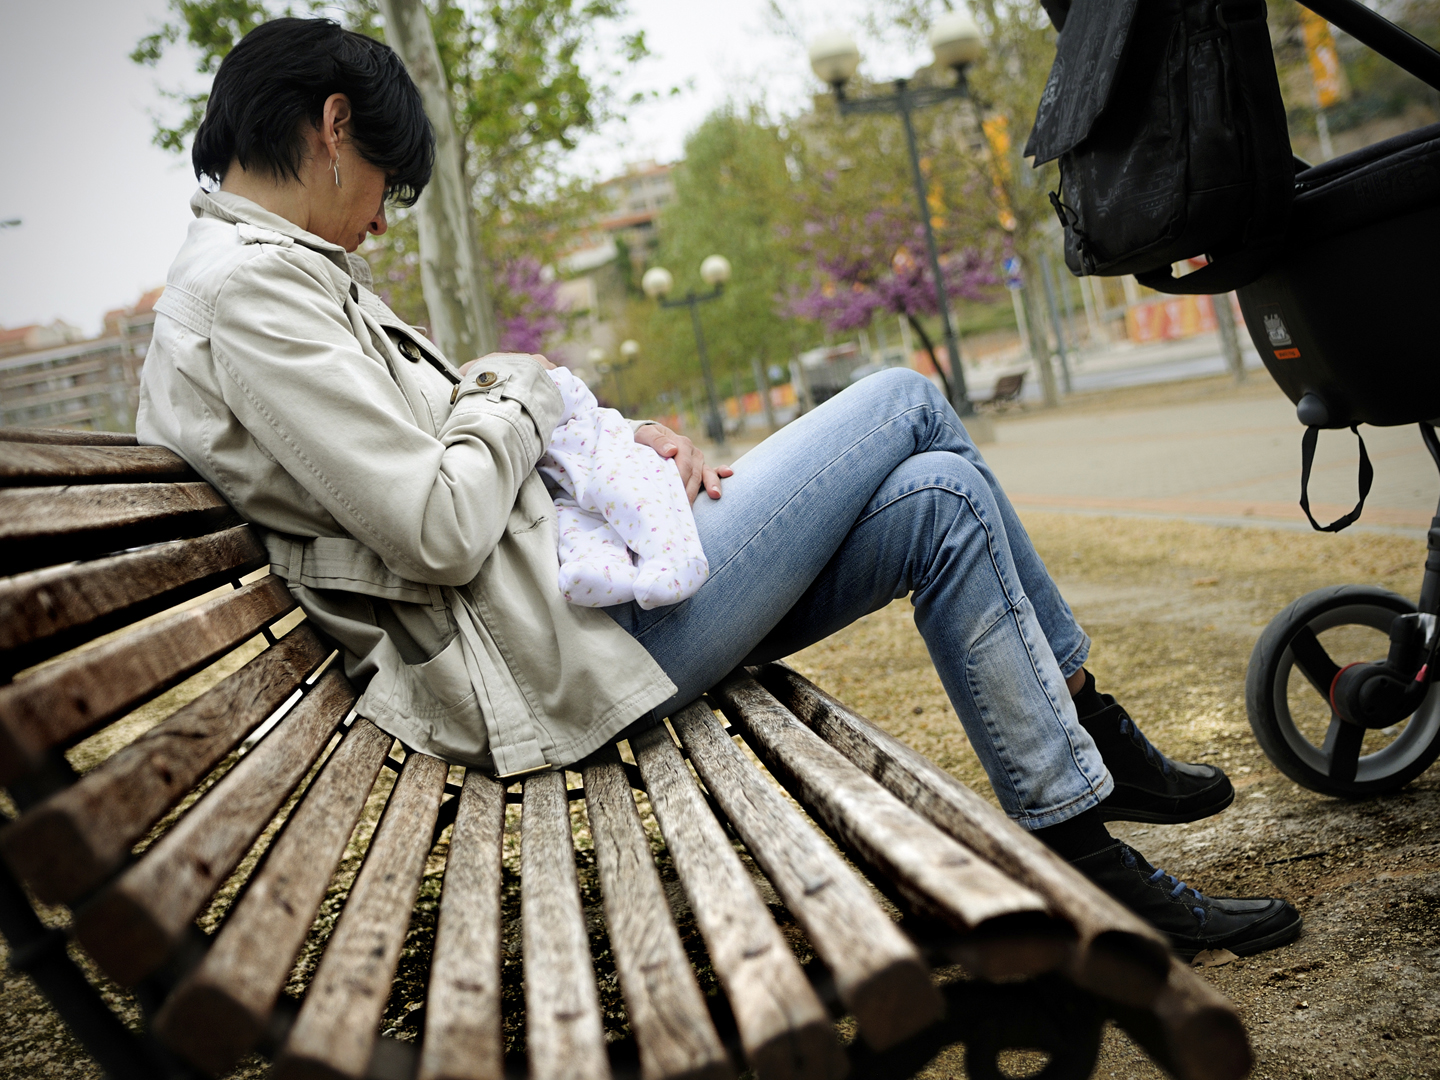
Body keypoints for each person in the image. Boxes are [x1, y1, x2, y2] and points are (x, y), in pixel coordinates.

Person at [135, 16, 1302, 961]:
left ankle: (1081, 831)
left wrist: (597, 425)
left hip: (560, 615)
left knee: (942, 495)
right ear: (336, 126)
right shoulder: (248, 294)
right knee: (904, 398)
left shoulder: (272, 275)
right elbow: (438, 524)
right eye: (388, 181)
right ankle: (1093, 733)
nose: (386, 216)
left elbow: (444, 434)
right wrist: (534, 389)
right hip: (552, 651)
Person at [538, 365, 709, 610]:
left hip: (608, 468)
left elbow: (565, 394)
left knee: (633, 502)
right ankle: (600, 568)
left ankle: (671, 559)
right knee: (573, 523)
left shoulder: (557, 395)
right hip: (560, 492)